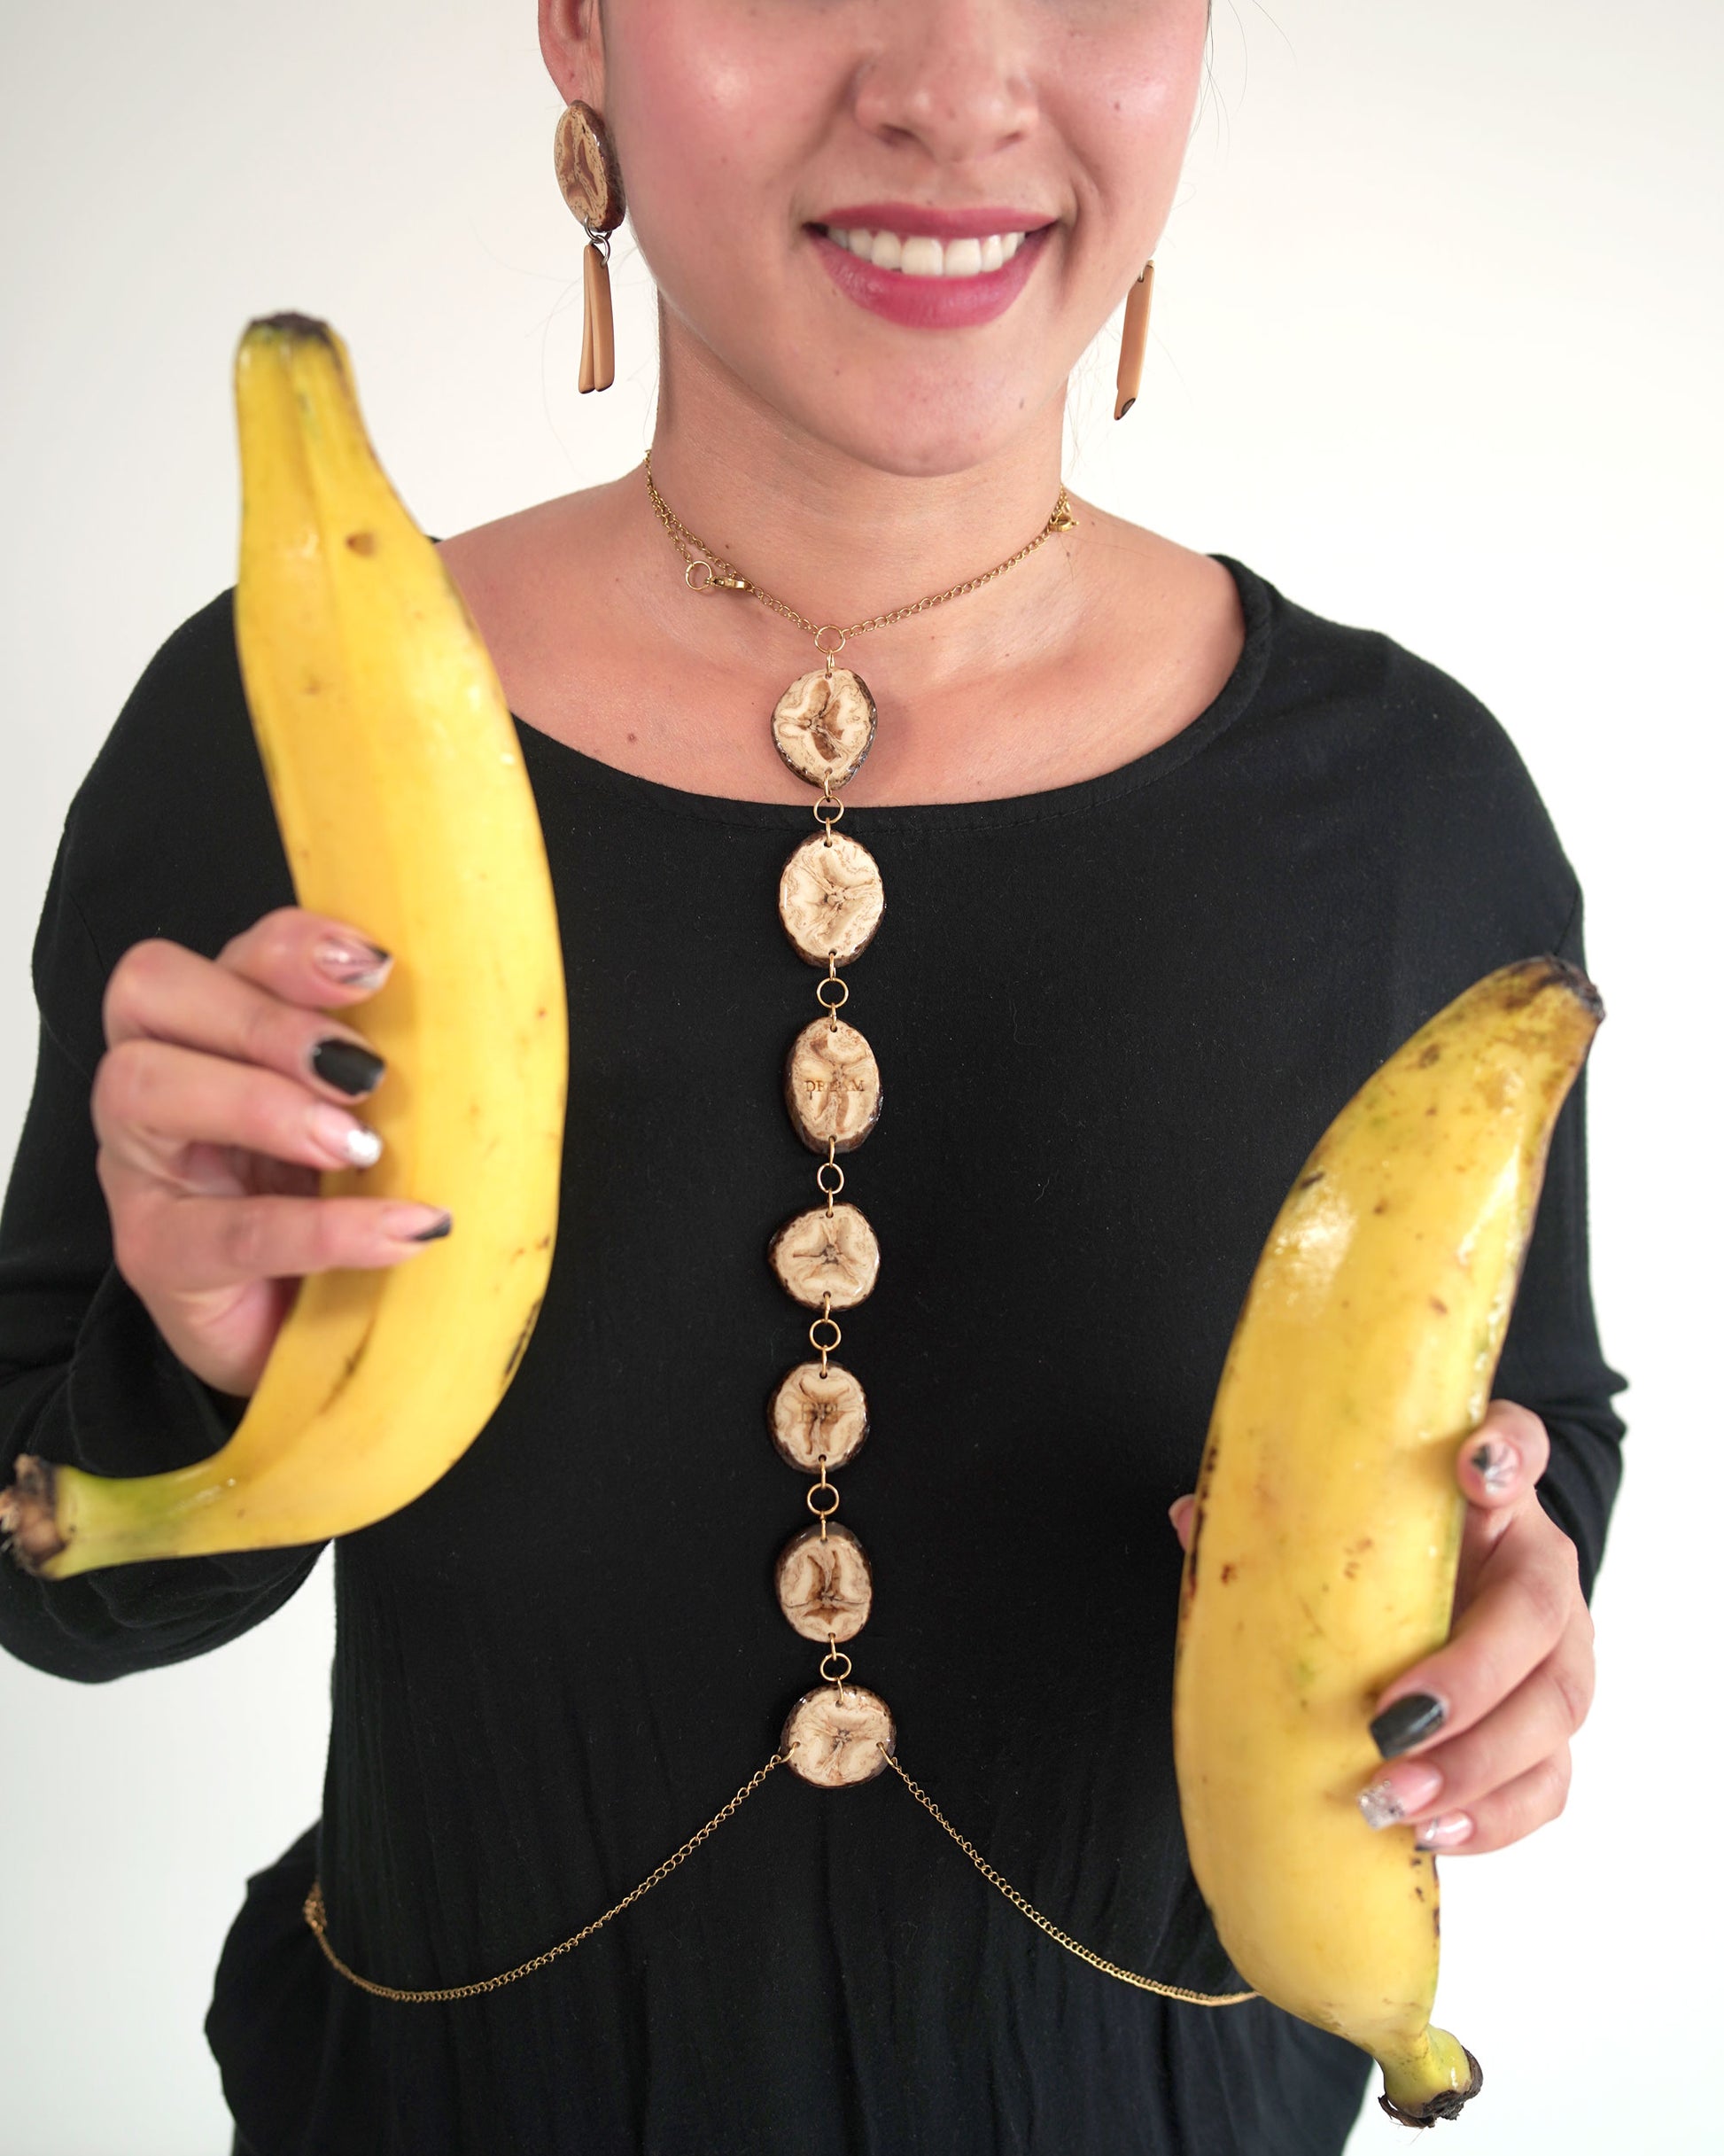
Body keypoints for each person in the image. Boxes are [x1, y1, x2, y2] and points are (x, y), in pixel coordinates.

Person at [0, 2, 1624, 2151]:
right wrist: (197, 1370)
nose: (954, 89)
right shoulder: (290, 726)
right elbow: (56, 1571)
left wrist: (1514, 1587)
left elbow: (1536, 1412)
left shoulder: (1412, 805)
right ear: (581, 26)